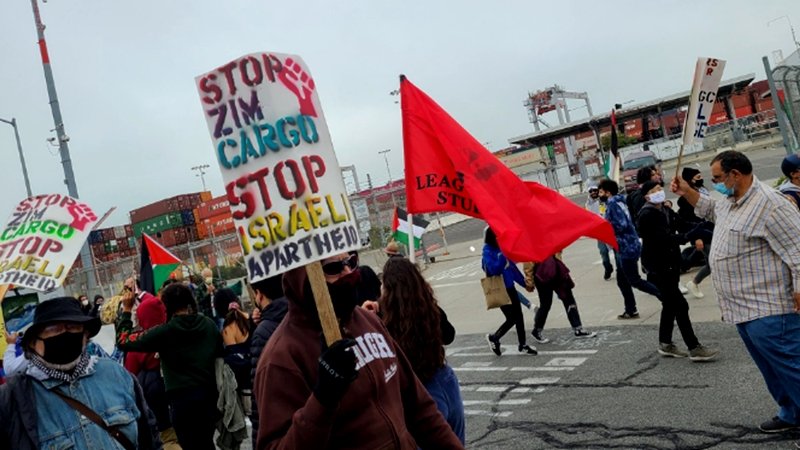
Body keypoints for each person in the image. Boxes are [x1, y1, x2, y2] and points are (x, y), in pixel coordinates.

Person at [252, 253, 463, 449]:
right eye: (334, 268)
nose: (348, 273)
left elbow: (419, 407)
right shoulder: (281, 356)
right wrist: (323, 399)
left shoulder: (369, 321)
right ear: (306, 277)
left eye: (351, 262)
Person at [671, 150, 800, 434]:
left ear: (735, 175)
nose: (714, 183)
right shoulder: (731, 201)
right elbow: (708, 208)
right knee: (773, 370)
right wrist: (686, 190)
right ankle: (791, 412)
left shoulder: (771, 204)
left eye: (717, 178)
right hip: (744, 309)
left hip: (771, 307)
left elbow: (797, 249)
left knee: (792, 368)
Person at [0, 297, 162, 450]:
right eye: (54, 329)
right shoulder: (14, 399)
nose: (65, 334)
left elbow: (149, 436)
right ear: (33, 343)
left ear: (85, 336)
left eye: (73, 327)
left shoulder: (116, 374)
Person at [117, 282, 223, 450]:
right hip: (210, 398)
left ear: (166, 306)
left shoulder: (164, 332)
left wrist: (127, 310)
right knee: (206, 442)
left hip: (182, 402)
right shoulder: (208, 324)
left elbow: (123, 340)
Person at [380, 257, 465, 444]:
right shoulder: (428, 307)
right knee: (455, 442)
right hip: (444, 379)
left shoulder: (385, 321)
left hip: (420, 391)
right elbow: (449, 335)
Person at [636, 181, 719, 361]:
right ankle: (694, 347)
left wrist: (700, 228)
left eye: (659, 188)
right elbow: (663, 239)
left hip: (671, 265)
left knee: (670, 305)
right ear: (646, 197)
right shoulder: (647, 215)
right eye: (653, 190)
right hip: (658, 268)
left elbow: (682, 224)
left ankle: (665, 343)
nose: (659, 192)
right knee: (680, 305)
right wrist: (688, 236)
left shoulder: (664, 210)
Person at [122, 288, 181, 449]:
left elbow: (128, 376)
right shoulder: (178, 332)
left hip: (156, 419)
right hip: (185, 410)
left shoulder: (140, 342)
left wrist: (126, 312)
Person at [598, 179, 661, 319]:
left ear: (608, 192)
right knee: (622, 280)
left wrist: (604, 225)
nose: (599, 194)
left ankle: (664, 297)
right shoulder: (620, 201)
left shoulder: (613, 204)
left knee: (634, 280)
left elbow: (621, 224)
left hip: (625, 246)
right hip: (625, 245)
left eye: (601, 192)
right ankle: (631, 309)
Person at [248, 274, 289, 449]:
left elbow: (260, 394)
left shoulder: (263, 332)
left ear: (259, 294)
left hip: (280, 424)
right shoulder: (303, 314)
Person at [483, 227, 537, 355]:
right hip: (499, 290)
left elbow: (512, 269)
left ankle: (523, 345)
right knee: (512, 318)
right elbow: (493, 270)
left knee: (519, 317)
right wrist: (502, 257)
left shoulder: (502, 249)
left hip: (510, 287)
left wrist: (524, 284)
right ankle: (494, 338)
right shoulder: (487, 252)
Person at [525, 255, 597, 344]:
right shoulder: (532, 245)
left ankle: (578, 328)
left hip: (556, 271)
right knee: (546, 304)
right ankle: (537, 330)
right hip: (542, 274)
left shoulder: (550, 241)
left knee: (568, 299)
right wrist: (529, 282)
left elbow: (558, 252)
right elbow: (528, 264)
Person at [677, 167, 714, 298]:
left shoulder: (702, 191)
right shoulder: (686, 199)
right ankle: (694, 282)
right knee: (712, 263)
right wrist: (697, 237)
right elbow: (688, 220)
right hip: (701, 234)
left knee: (714, 261)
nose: (701, 179)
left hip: (710, 229)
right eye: (697, 177)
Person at [219, 289, 253, 418]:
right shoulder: (251, 318)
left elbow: (235, 360)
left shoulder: (227, 330)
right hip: (259, 375)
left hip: (244, 387)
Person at [585, 185, 614, 280]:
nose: (593, 192)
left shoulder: (605, 200)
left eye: (595, 190)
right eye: (591, 191)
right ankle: (608, 268)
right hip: (600, 232)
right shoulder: (588, 204)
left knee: (616, 251)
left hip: (611, 229)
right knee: (603, 252)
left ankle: (621, 271)